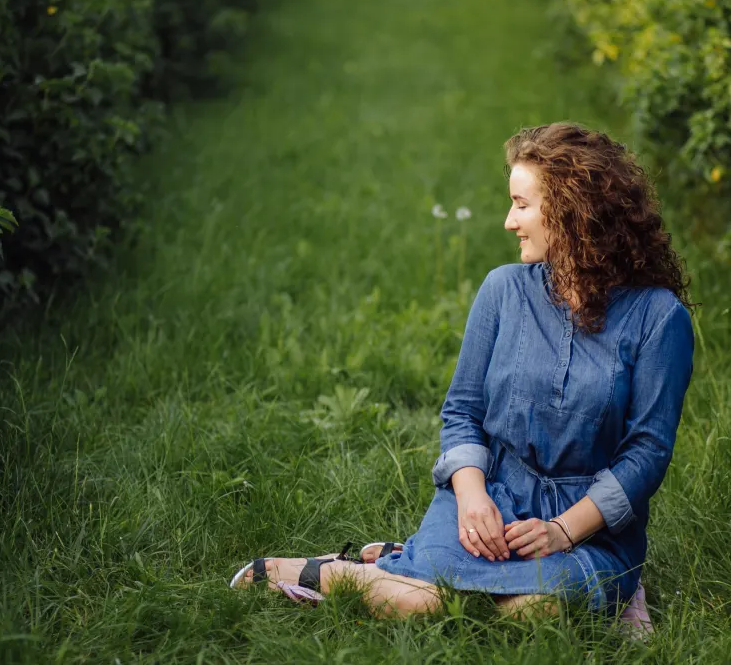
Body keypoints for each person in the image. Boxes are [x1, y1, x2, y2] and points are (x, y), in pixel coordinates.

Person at [229, 122, 696, 623]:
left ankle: (398, 570)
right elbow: (462, 411)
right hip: (492, 496)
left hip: (591, 529)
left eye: (521, 204)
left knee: (537, 610)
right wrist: (472, 499)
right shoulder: (503, 290)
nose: (507, 221)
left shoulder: (660, 318)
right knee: (436, 604)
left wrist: (562, 530)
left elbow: (647, 452)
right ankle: (330, 573)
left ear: (573, 213)